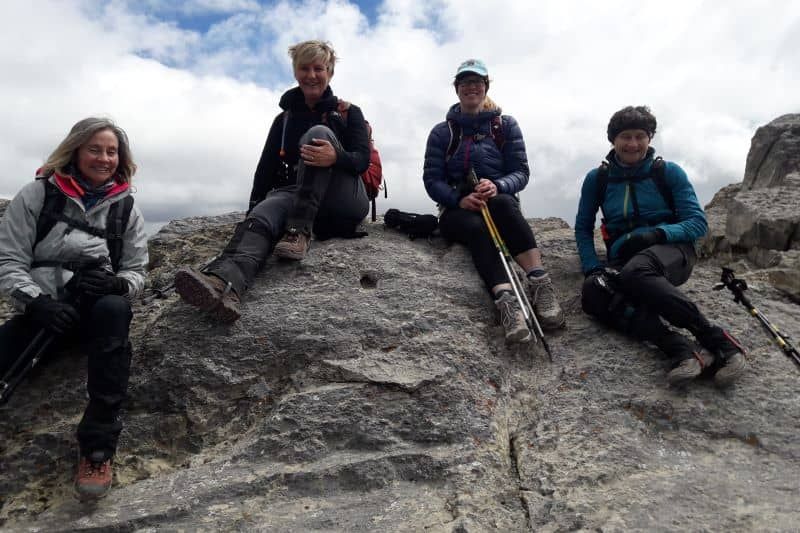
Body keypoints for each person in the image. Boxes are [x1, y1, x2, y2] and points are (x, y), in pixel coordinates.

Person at [0, 117, 148, 499]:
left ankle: (98, 448)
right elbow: (8, 260)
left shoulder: (126, 208)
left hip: (98, 315)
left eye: (112, 152)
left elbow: (136, 270)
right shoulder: (37, 196)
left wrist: (117, 285)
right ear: (75, 151)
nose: (104, 159)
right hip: (45, 312)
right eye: (95, 149)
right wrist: (36, 302)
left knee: (114, 310)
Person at [175, 40, 370, 322]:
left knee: (318, 134)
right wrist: (253, 210)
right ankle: (225, 286)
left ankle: (299, 232)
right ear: (295, 71)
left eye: (318, 69)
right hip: (297, 192)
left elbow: (362, 161)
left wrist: (335, 157)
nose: (311, 75)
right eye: (304, 68)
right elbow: (266, 168)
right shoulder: (284, 120)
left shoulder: (348, 113)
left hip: (343, 197)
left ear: (329, 72)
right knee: (264, 213)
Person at [575, 106, 746, 387]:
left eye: (640, 136)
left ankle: (720, 341)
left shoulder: (667, 172)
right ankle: (680, 349)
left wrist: (656, 234)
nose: (633, 144)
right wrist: (592, 267)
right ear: (613, 140)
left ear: (650, 138)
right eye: (625, 137)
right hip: (625, 258)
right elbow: (583, 227)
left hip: (674, 251)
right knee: (594, 292)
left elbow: (697, 223)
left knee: (637, 272)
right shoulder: (599, 179)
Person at [422, 59, 565, 343]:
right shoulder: (442, 132)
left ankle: (539, 281)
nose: (471, 88)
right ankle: (507, 302)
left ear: (486, 87)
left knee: (503, 204)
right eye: (465, 83)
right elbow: (432, 179)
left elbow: (521, 172)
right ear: (456, 88)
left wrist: (497, 185)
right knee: (476, 227)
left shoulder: (505, 126)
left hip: (498, 202)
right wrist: (458, 199)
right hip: (457, 211)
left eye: (477, 82)